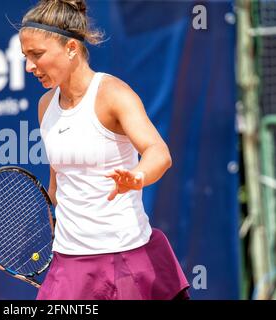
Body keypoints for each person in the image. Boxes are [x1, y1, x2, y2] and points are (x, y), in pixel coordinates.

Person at [19, 0, 190, 300]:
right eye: (25, 57)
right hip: (69, 264)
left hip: (126, 258)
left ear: (71, 48)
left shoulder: (113, 94)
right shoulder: (45, 106)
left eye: (37, 55)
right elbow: (58, 180)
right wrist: (54, 211)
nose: (29, 66)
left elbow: (158, 152)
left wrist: (136, 177)